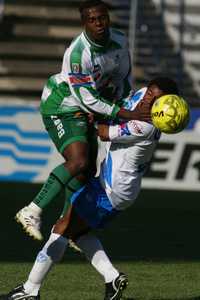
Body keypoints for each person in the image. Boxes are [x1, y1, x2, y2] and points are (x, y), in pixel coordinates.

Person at [0, 77, 180, 300]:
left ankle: (30, 290)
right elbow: (122, 106)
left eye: (156, 98)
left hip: (113, 189)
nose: (149, 99)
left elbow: (104, 132)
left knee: (63, 227)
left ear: (165, 105)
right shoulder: (143, 95)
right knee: (79, 232)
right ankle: (112, 279)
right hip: (113, 184)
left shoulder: (145, 125)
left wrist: (90, 117)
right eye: (150, 93)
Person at [15, 0, 152, 241]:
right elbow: (86, 99)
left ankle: (66, 226)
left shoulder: (119, 40)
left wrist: (124, 102)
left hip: (91, 105)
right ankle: (32, 210)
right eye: (92, 20)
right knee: (78, 161)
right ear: (84, 23)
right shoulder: (78, 54)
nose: (99, 23)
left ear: (108, 17)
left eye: (102, 17)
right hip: (63, 106)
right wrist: (126, 114)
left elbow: (123, 79)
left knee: (87, 171)